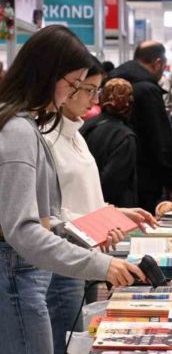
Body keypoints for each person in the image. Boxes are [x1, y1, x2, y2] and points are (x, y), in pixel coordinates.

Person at [0, 25, 146, 353]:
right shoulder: (19, 131)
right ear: (47, 74)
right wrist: (99, 264)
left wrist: (80, 232)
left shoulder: (24, 126)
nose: (73, 95)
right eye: (74, 85)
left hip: (26, 275)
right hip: (18, 277)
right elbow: (22, 229)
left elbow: (44, 219)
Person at [44, 60, 158, 354]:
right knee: (63, 342)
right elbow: (49, 214)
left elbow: (83, 197)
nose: (94, 100)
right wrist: (95, 225)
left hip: (86, 252)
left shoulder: (76, 134)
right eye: (88, 90)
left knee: (75, 336)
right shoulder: (43, 138)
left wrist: (115, 213)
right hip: (63, 259)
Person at [109, 41, 172, 213]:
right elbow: (160, 139)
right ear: (157, 63)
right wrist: (171, 180)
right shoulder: (148, 90)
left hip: (116, 175)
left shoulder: (112, 81)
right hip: (145, 178)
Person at [81, 78, 140, 208]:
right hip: (113, 211)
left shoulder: (85, 126)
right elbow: (113, 183)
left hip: (83, 204)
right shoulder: (124, 136)